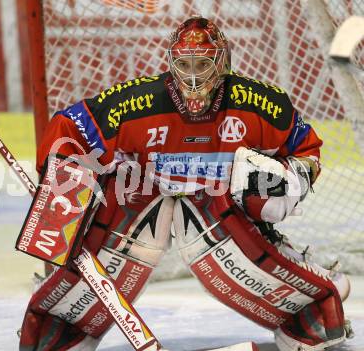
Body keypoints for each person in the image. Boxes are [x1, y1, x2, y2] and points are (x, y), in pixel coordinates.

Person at [18, 16, 352, 351]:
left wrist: (291, 182)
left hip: (220, 205)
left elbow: (307, 149)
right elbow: (69, 126)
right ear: (171, 63)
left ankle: (304, 303)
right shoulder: (135, 104)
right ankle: (66, 321)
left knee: (250, 184)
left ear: (221, 64)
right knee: (124, 189)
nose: (192, 76)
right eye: (184, 64)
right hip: (146, 198)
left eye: (203, 64)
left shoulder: (260, 104)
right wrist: (61, 184)